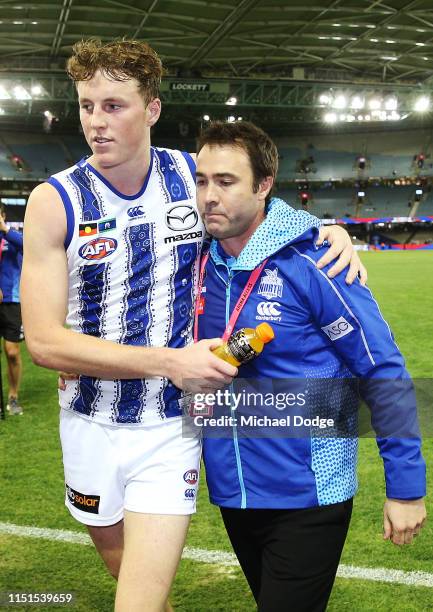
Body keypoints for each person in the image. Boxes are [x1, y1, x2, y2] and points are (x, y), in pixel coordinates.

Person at [21, 38, 364, 612]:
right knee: (121, 567)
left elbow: (262, 206)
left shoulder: (191, 176)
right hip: (86, 421)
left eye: (114, 105)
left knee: (137, 601)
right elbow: (46, 342)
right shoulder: (54, 201)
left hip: (166, 428)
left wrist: (327, 230)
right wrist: (171, 362)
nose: (96, 123)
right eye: (86, 105)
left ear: (152, 109)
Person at [194, 120, 427, 612]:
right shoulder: (197, 263)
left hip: (309, 493)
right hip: (233, 490)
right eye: (202, 180)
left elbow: (381, 369)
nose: (209, 195)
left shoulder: (318, 262)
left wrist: (405, 488)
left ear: (263, 186)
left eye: (226, 181)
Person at [0, 203, 24, 415]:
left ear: (3, 215)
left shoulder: (11, 237)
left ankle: (13, 396)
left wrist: (5, 229)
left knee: (12, 353)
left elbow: (28, 245)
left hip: (12, 301)